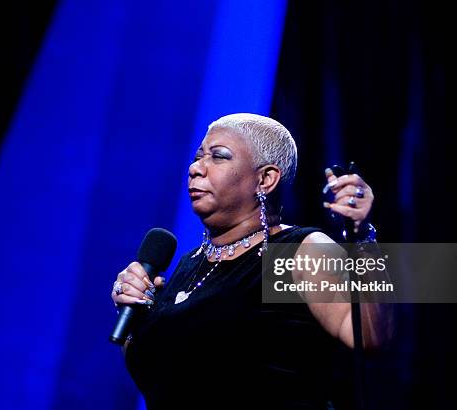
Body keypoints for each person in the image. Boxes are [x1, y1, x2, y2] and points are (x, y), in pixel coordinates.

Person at [111, 113, 392, 409]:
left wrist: (363, 239)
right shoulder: (189, 265)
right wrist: (136, 316)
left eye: (218, 157)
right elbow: (161, 377)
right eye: (198, 157)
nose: (195, 168)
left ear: (265, 179)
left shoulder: (291, 253)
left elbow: (370, 335)